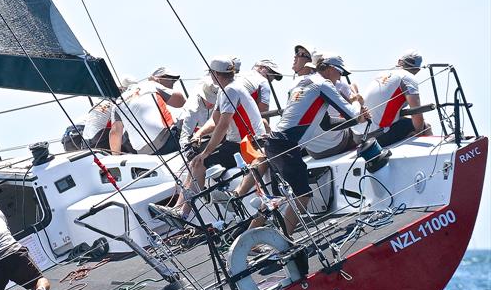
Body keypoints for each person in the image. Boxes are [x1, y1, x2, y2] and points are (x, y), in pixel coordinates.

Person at [264, 53, 369, 235]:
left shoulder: (301, 83)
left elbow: (326, 123)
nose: (340, 78)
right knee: (303, 195)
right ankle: (285, 241)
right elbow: (351, 113)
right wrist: (356, 101)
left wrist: (358, 119)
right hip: (286, 145)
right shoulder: (323, 84)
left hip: (274, 143)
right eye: (339, 73)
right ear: (330, 69)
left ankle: (251, 239)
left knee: (278, 199)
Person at [154, 56, 266, 219]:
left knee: (200, 162)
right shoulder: (226, 89)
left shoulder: (231, 90)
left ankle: (183, 213)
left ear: (215, 74)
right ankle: (179, 208)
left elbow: (223, 125)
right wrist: (198, 134)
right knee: (196, 162)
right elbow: (214, 121)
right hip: (238, 143)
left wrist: (206, 153)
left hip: (249, 143)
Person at [361, 49, 431, 147]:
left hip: (359, 135)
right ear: (417, 70)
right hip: (376, 136)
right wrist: (418, 133)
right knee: (425, 127)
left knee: (405, 121)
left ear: (399, 62)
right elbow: (416, 113)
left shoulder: (381, 74)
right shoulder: (408, 77)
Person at [109, 67, 186, 155]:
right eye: (171, 80)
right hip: (168, 141)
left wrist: (116, 157)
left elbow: (114, 133)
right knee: (188, 117)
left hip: (144, 153)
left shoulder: (117, 104)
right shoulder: (149, 85)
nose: (172, 82)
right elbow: (181, 102)